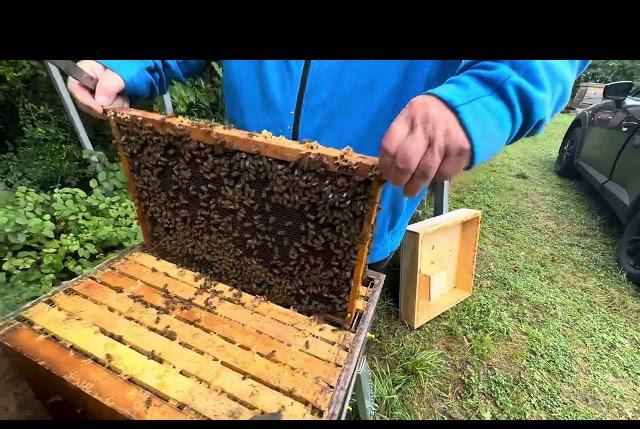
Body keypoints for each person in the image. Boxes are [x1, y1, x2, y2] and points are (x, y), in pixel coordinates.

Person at [69, 60, 590, 272]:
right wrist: (129, 66)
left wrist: (483, 99)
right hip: (248, 194)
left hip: (361, 208)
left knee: (321, 334)